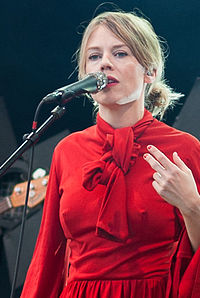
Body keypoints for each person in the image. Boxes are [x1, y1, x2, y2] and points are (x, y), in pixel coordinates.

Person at [21, 10, 200, 298]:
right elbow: (47, 258)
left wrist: (193, 206)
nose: (104, 63)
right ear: (84, 78)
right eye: (94, 57)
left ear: (150, 72)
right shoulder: (67, 152)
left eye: (120, 53)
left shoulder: (184, 149)